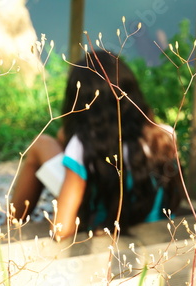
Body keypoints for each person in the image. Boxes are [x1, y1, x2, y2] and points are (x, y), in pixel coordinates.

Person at [10, 50, 182, 239]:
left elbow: (61, 230)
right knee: (56, 140)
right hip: (155, 229)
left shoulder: (83, 145)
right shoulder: (165, 136)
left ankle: (8, 230)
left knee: (40, 144)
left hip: (98, 226)